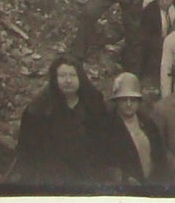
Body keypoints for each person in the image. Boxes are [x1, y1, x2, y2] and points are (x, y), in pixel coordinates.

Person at [11, 55, 111, 186]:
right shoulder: (40, 109)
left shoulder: (93, 104)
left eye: (72, 75)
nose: (68, 80)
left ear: (80, 78)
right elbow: (28, 152)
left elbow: (103, 141)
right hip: (52, 177)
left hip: (88, 174)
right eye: (62, 76)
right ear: (55, 79)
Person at [100, 72, 170, 185]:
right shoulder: (107, 127)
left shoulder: (148, 124)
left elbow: (160, 155)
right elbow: (103, 163)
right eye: (124, 100)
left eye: (133, 100)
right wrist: (124, 178)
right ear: (116, 101)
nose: (129, 104)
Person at [139, 0, 175, 82]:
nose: (163, 2)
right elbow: (146, 38)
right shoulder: (149, 12)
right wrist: (165, 43)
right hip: (158, 49)